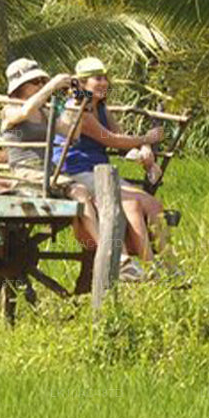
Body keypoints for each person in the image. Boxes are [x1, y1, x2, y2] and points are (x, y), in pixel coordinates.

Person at [53, 57, 165, 280]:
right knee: (131, 204)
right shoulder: (77, 109)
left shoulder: (101, 107)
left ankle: (169, 263)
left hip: (101, 170)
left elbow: (121, 136)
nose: (103, 83)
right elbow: (110, 140)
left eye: (105, 78)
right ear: (82, 84)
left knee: (153, 204)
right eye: (97, 78)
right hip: (77, 172)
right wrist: (147, 138)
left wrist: (143, 149)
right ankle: (146, 266)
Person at [0, 58, 101, 262]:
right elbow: (25, 111)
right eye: (35, 82)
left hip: (51, 173)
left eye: (41, 81)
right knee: (80, 192)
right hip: (27, 173)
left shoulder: (45, 112)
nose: (40, 85)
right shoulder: (8, 109)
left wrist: (77, 102)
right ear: (20, 86)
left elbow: (71, 134)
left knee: (87, 195)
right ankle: (104, 250)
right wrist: (52, 86)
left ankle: (97, 249)